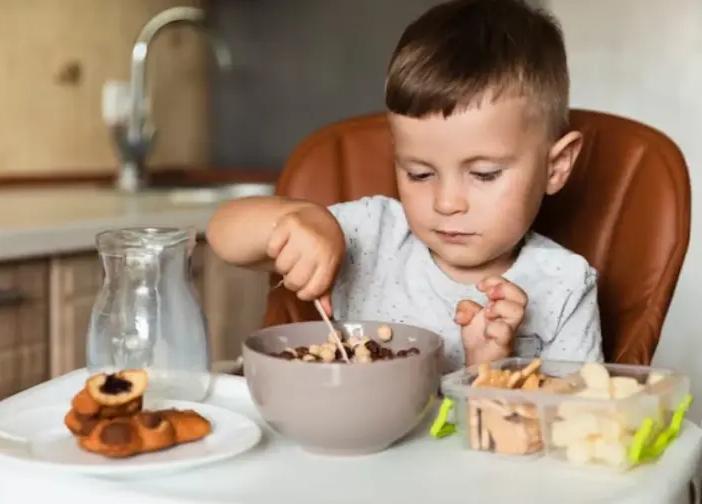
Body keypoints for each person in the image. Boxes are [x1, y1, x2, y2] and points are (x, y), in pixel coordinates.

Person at [206, 0, 604, 372]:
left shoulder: (563, 285)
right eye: (419, 173)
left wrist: (488, 369)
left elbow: (577, 426)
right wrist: (297, 220)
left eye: (483, 174)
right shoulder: (370, 236)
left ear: (555, 166)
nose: (447, 202)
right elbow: (223, 234)